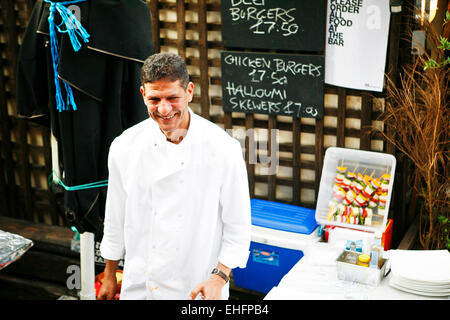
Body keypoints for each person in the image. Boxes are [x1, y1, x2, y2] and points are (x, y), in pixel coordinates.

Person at [98, 53, 252, 300]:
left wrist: (219, 278)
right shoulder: (124, 146)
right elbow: (115, 218)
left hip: (197, 286)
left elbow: (238, 228)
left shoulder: (223, 148)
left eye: (172, 98)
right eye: (154, 99)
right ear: (142, 95)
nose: (164, 109)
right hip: (141, 285)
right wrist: (109, 275)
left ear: (189, 91)